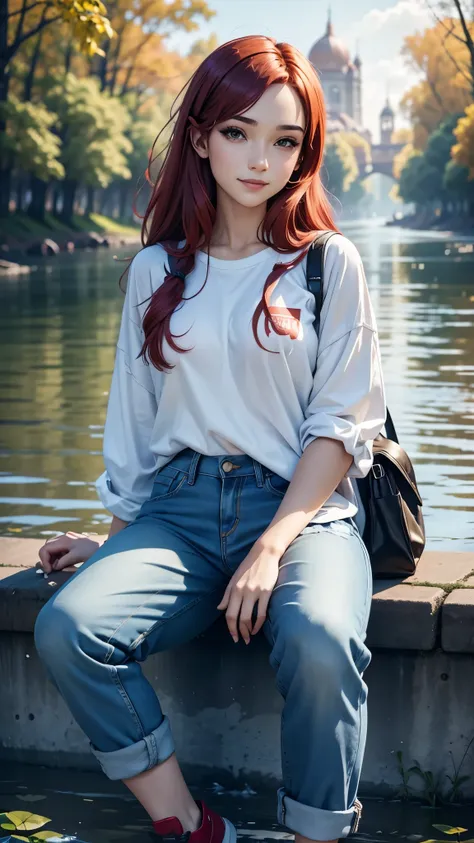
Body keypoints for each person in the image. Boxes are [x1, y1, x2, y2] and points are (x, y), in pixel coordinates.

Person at [34, 34, 386, 843]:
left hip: (302, 510)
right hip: (181, 511)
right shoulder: (157, 271)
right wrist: (115, 542)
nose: (260, 158)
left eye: (284, 139)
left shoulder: (329, 263)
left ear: (305, 151)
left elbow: (340, 423)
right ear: (200, 136)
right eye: (238, 131)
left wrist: (270, 546)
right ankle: (193, 826)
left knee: (324, 639)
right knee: (68, 625)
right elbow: (135, 424)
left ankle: (315, 836)